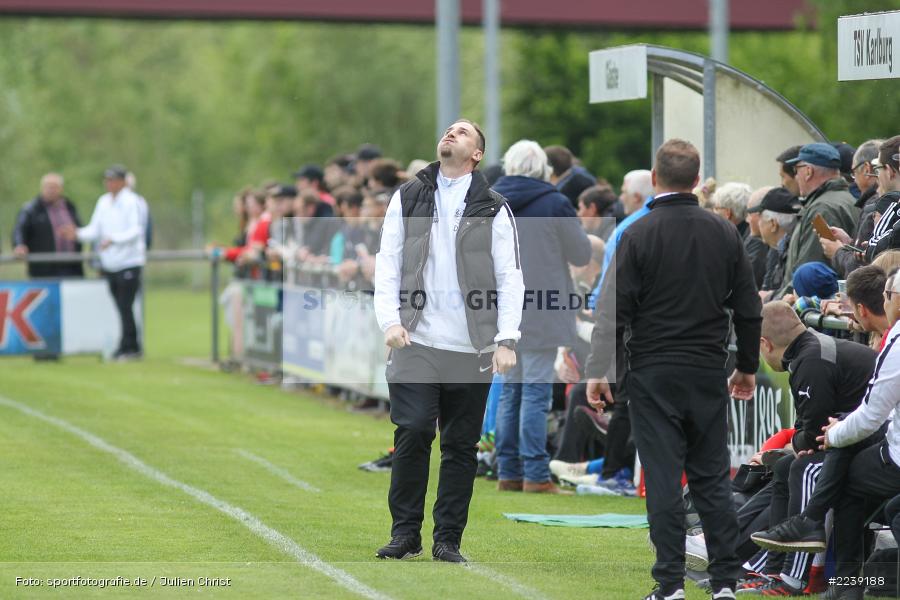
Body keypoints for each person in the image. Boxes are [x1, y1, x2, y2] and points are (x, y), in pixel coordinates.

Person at [585, 138, 762, 600]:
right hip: (706, 367)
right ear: (698, 180)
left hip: (653, 369)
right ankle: (725, 582)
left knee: (663, 477)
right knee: (711, 477)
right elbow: (748, 308)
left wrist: (599, 370)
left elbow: (613, 311)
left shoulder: (637, 233)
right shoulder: (724, 232)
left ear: (654, 178)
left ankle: (669, 583)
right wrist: (746, 366)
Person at [372, 118, 524, 563]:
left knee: (460, 447)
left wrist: (507, 339)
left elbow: (510, 277)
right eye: (449, 129)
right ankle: (405, 533)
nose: (451, 133)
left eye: (463, 132)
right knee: (413, 430)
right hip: (415, 340)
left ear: (476, 154)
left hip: (471, 347)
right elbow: (387, 262)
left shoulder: (495, 207)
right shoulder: (408, 195)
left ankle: (448, 539)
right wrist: (390, 322)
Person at [741, 301, 876, 595]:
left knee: (804, 469)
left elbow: (814, 434)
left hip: (876, 443)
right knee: (785, 466)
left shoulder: (811, 360)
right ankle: (772, 568)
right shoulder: (808, 350)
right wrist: (794, 446)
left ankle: (794, 577)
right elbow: (811, 428)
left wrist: (797, 445)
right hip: (858, 440)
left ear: (764, 343)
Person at [491, 140, 591, 494]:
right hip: (543, 306)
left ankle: (508, 471)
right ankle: (534, 474)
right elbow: (581, 253)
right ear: (543, 169)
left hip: (502, 306)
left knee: (511, 392)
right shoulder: (554, 202)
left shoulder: (489, 201)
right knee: (534, 393)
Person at [74, 165, 147, 359]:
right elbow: (95, 230)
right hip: (110, 263)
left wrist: (113, 239)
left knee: (125, 305)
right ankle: (128, 345)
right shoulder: (103, 202)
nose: (109, 183)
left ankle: (130, 346)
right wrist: (76, 234)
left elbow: (136, 230)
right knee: (121, 306)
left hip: (129, 261)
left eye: (113, 180)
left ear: (122, 182)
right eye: (107, 180)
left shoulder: (133, 201)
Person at [779, 143, 859, 295]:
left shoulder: (822, 208)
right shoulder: (847, 199)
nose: (796, 176)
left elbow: (809, 271)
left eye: (796, 170)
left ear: (808, 171)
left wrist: (779, 300)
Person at [12, 173, 84, 279]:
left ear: (61, 189)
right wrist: (19, 245)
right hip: (44, 268)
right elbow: (20, 229)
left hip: (71, 267)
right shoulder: (31, 209)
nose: (51, 190)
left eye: (54, 187)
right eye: (48, 187)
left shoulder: (69, 206)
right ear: (42, 188)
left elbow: (79, 229)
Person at [713, 182, 769, 288]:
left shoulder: (753, 238)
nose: (713, 212)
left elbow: (744, 280)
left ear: (728, 213)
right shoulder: (742, 233)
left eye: (716, 208)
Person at [754, 187, 800, 299]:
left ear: (773, 224)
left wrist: (768, 297)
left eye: (760, 219)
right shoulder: (785, 248)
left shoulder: (789, 250)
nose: (758, 224)